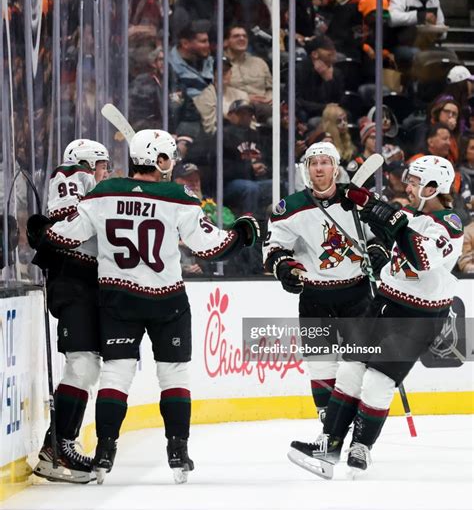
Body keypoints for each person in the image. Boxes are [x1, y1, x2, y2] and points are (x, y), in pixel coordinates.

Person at [41, 130, 259, 484]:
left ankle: (104, 453)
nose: (171, 164)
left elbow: (64, 235)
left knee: (115, 374)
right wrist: (242, 235)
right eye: (169, 157)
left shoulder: (102, 193)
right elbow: (209, 247)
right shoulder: (178, 196)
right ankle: (178, 451)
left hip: (116, 298)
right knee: (173, 375)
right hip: (166, 299)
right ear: (158, 160)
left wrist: (42, 232)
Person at [289, 155, 463, 477]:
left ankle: (361, 447)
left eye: (414, 181)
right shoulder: (413, 214)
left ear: (434, 187)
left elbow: (421, 258)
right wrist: (364, 202)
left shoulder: (449, 225)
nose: (407, 185)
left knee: (377, 382)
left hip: (418, 316)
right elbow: (387, 224)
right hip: (383, 303)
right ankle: (328, 446)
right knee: (350, 371)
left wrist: (392, 219)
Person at [263, 142, 389, 424]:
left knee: (357, 364)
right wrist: (284, 268)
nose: (319, 168)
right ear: (306, 170)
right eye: (313, 163)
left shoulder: (357, 200)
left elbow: (385, 232)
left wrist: (379, 250)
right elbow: (274, 247)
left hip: (357, 294)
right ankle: (328, 425)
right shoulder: (290, 207)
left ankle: (355, 421)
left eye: (324, 162)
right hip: (314, 296)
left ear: (335, 167)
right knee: (320, 363)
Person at [29, 139, 110, 484]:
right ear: (87, 163)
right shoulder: (70, 174)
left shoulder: (91, 185)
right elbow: (68, 223)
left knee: (88, 364)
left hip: (85, 283)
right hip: (72, 281)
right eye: (102, 165)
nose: (106, 171)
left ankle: (59, 444)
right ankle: (58, 447)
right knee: (82, 362)